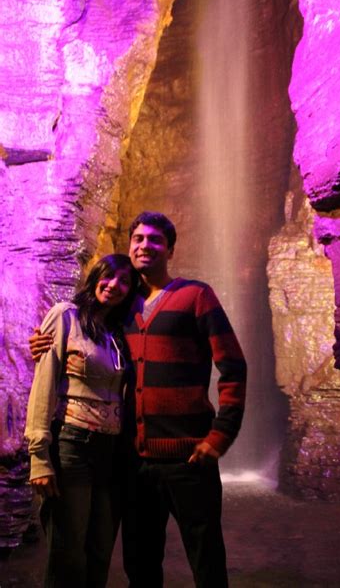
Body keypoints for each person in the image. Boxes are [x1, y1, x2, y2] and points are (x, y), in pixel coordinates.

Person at [30, 211, 247, 588]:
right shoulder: (121, 311)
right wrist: (41, 345)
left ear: (171, 249)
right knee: (140, 563)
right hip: (134, 461)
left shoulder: (195, 296)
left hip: (189, 456)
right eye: (139, 239)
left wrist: (220, 436)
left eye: (155, 239)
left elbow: (233, 366)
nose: (146, 245)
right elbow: (83, 345)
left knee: (206, 558)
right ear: (130, 247)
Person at [25, 253, 140, 588]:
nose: (115, 285)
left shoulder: (118, 332)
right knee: (68, 552)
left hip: (111, 450)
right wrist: (39, 458)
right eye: (109, 276)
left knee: (101, 549)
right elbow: (43, 384)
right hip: (72, 444)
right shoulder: (66, 316)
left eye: (124, 281)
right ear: (95, 276)